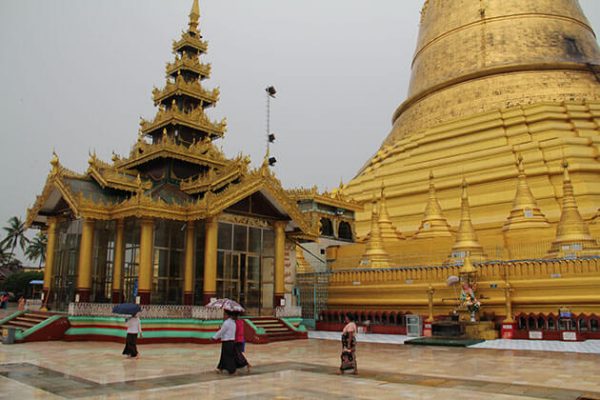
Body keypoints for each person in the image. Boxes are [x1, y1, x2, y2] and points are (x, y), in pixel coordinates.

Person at [212, 310, 248, 374]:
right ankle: (220, 368)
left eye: (224, 314)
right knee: (224, 355)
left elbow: (221, 331)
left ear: (228, 315)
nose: (223, 316)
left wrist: (214, 337)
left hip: (227, 341)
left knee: (228, 356)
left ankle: (232, 370)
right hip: (231, 341)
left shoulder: (226, 323)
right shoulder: (233, 322)